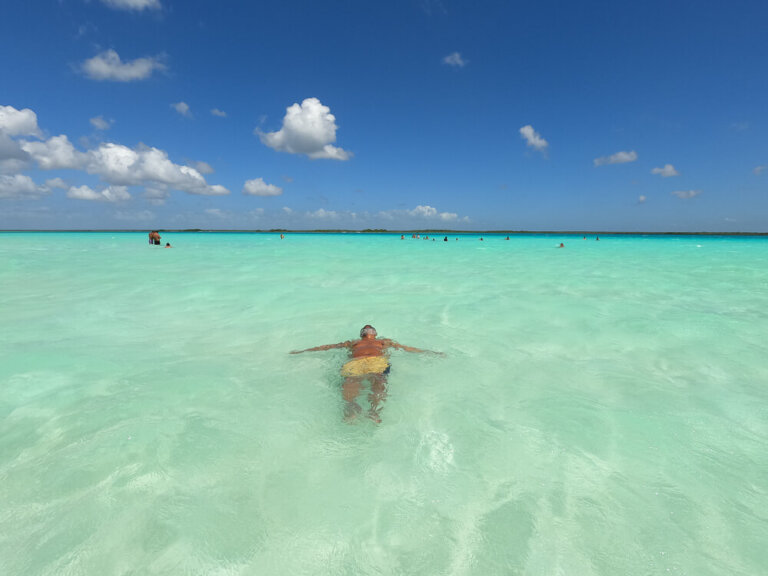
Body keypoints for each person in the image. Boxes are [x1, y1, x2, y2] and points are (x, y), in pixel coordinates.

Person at [291, 325, 441, 423]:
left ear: (375, 333)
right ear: (363, 333)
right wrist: (302, 352)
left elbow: (406, 348)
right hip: (357, 361)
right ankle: (351, 408)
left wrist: (430, 353)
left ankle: (373, 411)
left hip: (377, 361)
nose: (368, 329)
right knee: (351, 381)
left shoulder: (384, 342)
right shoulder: (353, 342)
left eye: (371, 328)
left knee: (379, 380)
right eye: (366, 329)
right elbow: (327, 347)